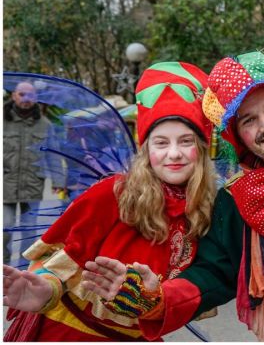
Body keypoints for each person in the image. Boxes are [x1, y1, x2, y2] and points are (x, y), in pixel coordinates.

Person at [82, 51, 264, 341]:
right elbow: (213, 273)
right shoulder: (234, 198)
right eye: (248, 120)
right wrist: (159, 297)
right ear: (236, 136)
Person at [3, 61, 216, 341]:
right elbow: (64, 256)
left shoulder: (209, 208)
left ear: (201, 149)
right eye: (161, 143)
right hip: (71, 331)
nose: (173, 153)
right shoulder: (115, 193)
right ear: (146, 149)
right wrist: (45, 290)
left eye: (186, 141)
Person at [3, 81, 62, 265]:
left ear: (36, 97)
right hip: (5, 184)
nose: (26, 99)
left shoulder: (44, 124)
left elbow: (53, 153)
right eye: (22, 94)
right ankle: (3, 267)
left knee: (30, 231)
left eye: (30, 95)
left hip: (33, 184)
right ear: (14, 95)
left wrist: (59, 180)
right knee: (5, 227)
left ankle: (21, 271)